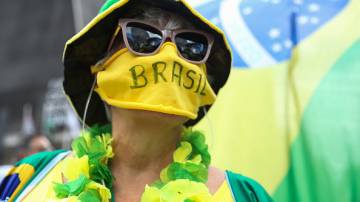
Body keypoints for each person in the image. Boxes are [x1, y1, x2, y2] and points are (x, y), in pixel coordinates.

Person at [0, 0, 273, 201]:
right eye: (142, 37)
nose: (170, 55)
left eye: (191, 45)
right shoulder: (28, 179)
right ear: (100, 68)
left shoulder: (246, 196)